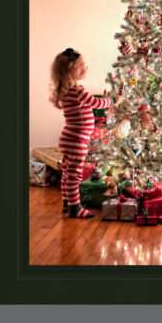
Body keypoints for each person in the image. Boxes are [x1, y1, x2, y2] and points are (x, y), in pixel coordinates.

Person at [49, 48, 117, 218]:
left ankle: (67, 202)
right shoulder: (77, 91)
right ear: (72, 70)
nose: (86, 68)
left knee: (67, 172)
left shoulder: (66, 91)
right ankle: (75, 207)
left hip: (69, 138)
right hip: (77, 140)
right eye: (82, 65)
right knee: (74, 175)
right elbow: (96, 103)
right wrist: (112, 100)